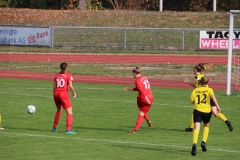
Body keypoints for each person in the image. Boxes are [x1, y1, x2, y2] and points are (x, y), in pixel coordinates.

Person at [184, 63, 233, 132]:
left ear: (195, 70)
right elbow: (198, 85)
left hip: (204, 95)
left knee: (196, 112)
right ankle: (227, 121)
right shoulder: (202, 76)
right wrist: (188, 82)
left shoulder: (197, 77)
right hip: (209, 94)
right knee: (215, 113)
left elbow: (198, 87)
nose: (193, 70)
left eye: (193, 69)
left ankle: (191, 128)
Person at [190, 76, 217, 156]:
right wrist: (217, 106)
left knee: (196, 128)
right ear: (208, 83)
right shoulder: (209, 90)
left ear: (200, 82)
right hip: (207, 112)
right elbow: (213, 98)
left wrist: (194, 100)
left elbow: (192, 101)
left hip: (197, 111)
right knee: (206, 125)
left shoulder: (195, 90)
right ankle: (203, 142)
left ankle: (194, 144)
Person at [124, 66, 153, 133]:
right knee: (143, 110)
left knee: (141, 113)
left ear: (134, 73)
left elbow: (141, 90)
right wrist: (130, 89)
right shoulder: (144, 78)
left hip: (143, 98)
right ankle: (148, 120)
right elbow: (140, 88)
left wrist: (146, 98)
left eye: (132, 73)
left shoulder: (137, 81)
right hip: (150, 96)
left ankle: (135, 130)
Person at [52, 62, 77, 134]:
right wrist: (74, 92)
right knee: (69, 112)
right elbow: (70, 86)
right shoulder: (68, 75)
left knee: (59, 110)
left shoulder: (56, 75)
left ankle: (54, 127)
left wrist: (54, 95)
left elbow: (54, 87)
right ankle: (68, 129)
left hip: (56, 93)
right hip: (63, 94)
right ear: (66, 68)